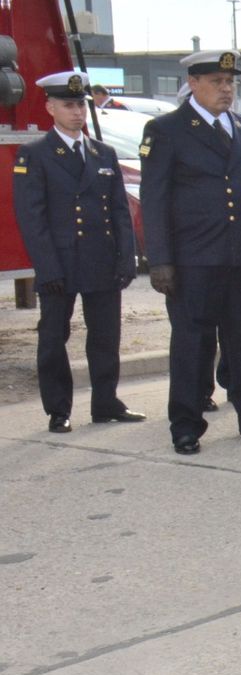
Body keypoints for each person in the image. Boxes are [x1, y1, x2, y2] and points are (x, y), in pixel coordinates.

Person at [139, 50, 241, 454]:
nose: (226, 90)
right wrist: (161, 261)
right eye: (217, 82)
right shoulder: (166, 130)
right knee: (192, 343)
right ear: (193, 83)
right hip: (194, 259)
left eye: (231, 82)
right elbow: (154, 200)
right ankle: (186, 424)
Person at [12, 71, 142, 433]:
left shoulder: (103, 153)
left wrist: (125, 257)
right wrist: (46, 268)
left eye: (81, 105)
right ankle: (58, 409)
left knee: (105, 336)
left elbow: (119, 210)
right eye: (68, 105)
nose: (76, 112)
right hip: (60, 262)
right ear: (50, 107)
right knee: (53, 338)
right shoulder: (35, 154)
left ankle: (106, 402)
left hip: (100, 258)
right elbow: (31, 218)